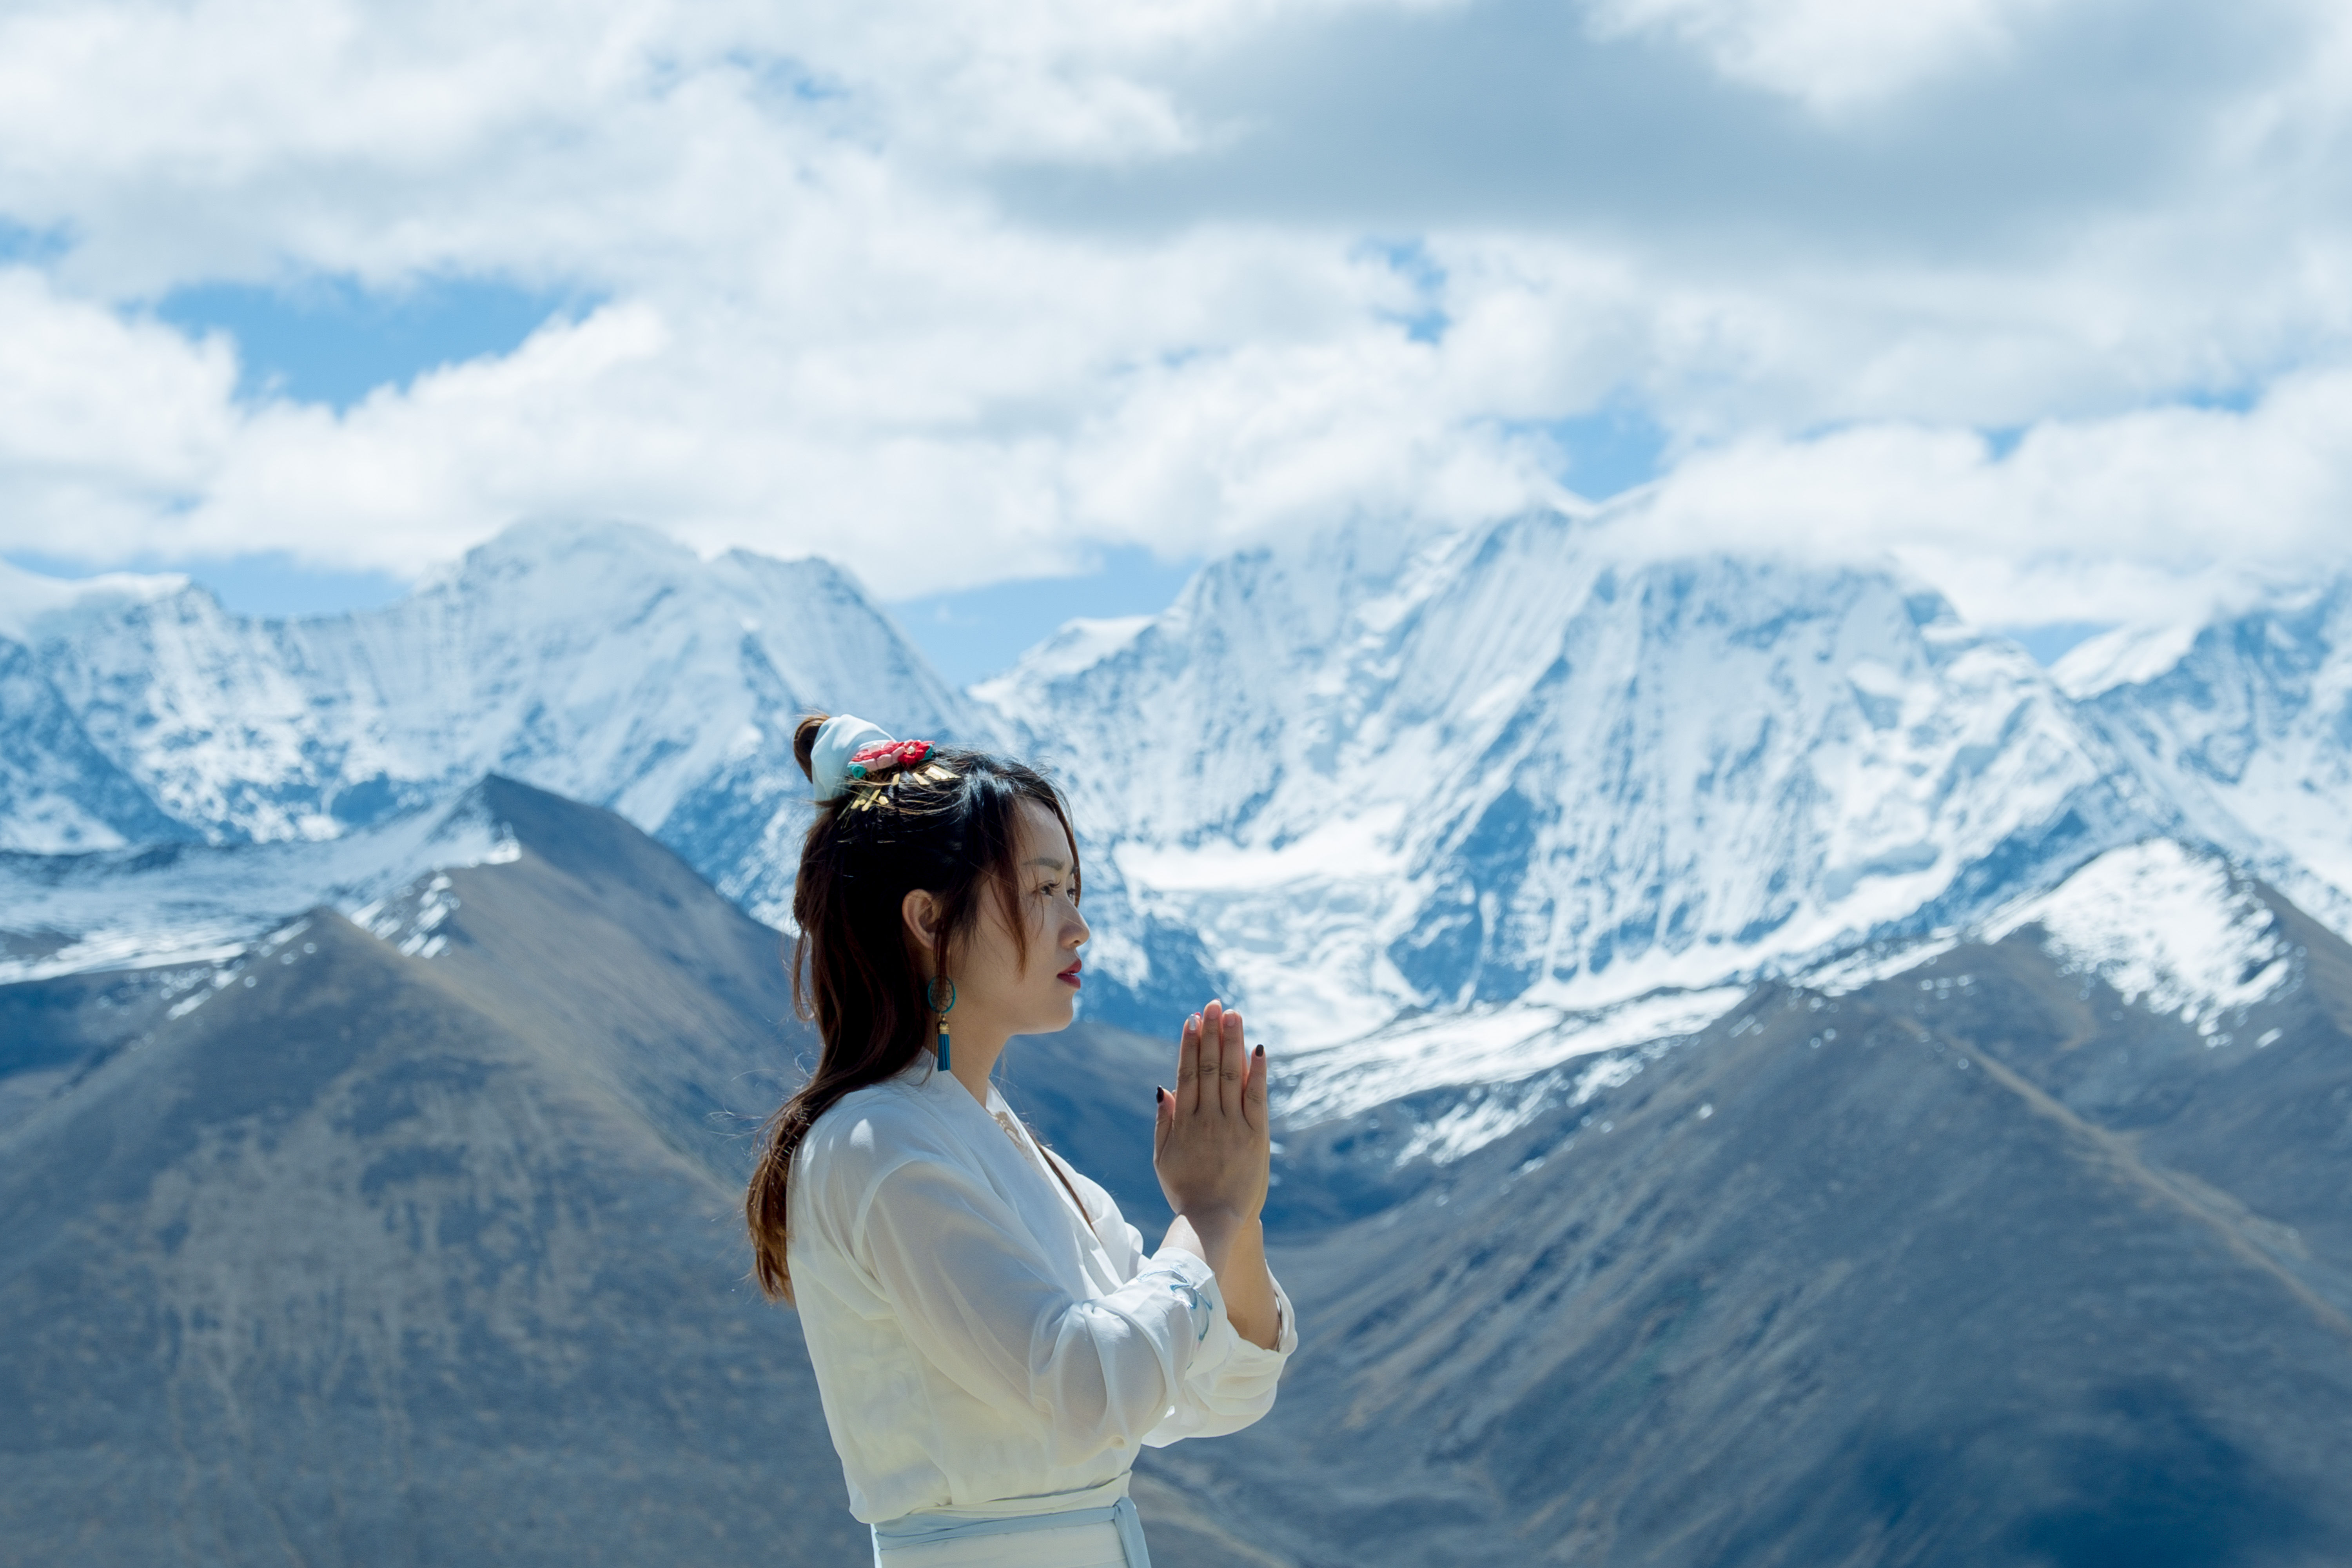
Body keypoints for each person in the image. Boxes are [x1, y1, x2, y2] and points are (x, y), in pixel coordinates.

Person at [746, 713, 1297, 1567]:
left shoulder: (1000, 1143)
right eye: (1043, 890)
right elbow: (1088, 1386)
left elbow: (1219, 1387)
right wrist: (1206, 1214)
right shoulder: (875, 1144)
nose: (1078, 927)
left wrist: (1239, 1215)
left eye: (1073, 890)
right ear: (928, 918)